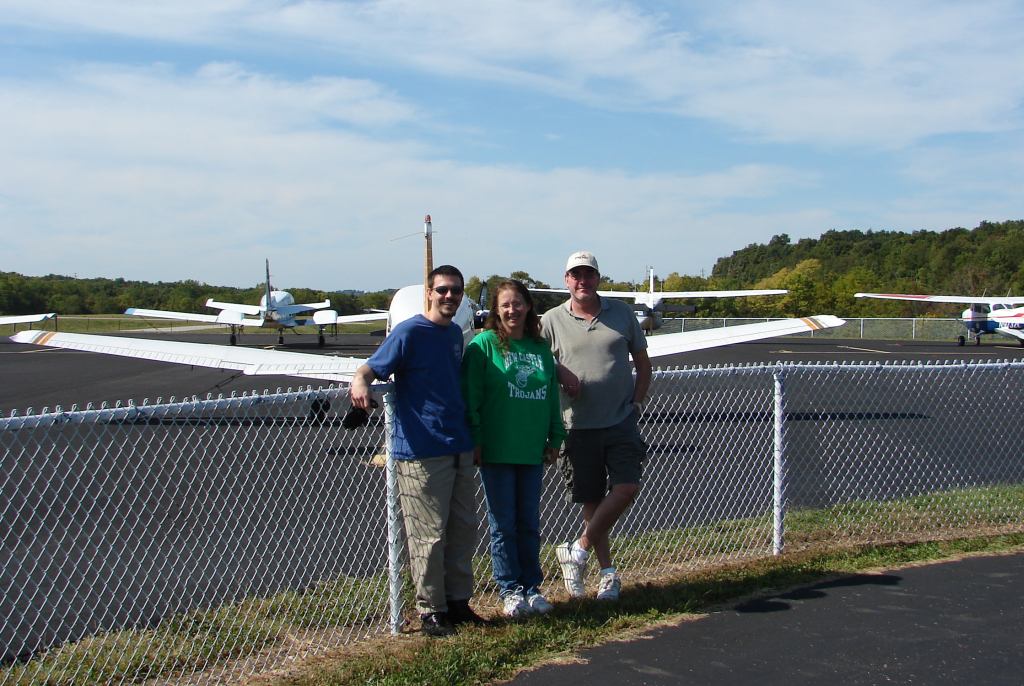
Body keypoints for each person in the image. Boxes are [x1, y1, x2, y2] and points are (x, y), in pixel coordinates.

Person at [349, 264, 485, 637]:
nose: (449, 296)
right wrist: (359, 383)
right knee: (429, 536)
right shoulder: (410, 332)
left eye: (455, 290)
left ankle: (458, 603)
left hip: (458, 445)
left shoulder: (455, 334)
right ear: (429, 293)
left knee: (463, 530)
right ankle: (431, 610)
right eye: (442, 290)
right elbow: (372, 368)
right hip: (422, 450)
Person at [540, 251, 652, 602]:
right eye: (576, 275)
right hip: (577, 425)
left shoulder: (621, 313)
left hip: (620, 420)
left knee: (627, 487)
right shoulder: (551, 320)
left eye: (588, 274)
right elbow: (539, 359)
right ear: (566, 280)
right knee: (591, 501)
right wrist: (561, 371)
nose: (582, 281)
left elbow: (643, 362)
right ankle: (607, 574)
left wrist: (636, 402)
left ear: (598, 278)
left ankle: (577, 549)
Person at [461, 280, 566, 618]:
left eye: (518, 303)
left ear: (528, 306)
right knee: (503, 525)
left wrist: (555, 437)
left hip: (531, 448)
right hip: (497, 450)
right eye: (505, 304)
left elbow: (551, 397)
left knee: (529, 524)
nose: (512, 310)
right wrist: (476, 438)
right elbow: (471, 397)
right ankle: (509, 590)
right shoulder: (483, 346)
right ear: (496, 309)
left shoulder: (539, 348)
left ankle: (531, 587)